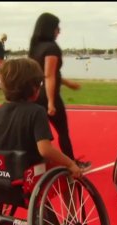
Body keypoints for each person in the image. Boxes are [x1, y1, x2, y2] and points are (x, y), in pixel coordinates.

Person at [0, 58, 83, 179]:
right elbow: (45, 150)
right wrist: (70, 163)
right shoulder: (37, 112)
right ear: (33, 88)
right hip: (29, 174)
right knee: (66, 170)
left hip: (2, 174)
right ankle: (70, 196)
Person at [28, 12, 91, 170]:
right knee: (63, 132)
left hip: (34, 94)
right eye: (57, 28)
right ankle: (71, 164)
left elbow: (46, 73)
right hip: (48, 95)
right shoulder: (52, 48)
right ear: (51, 29)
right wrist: (50, 102)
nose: (59, 31)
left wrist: (68, 83)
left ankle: (33, 165)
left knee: (36, 134)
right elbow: (49, 75)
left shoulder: (34, 47)